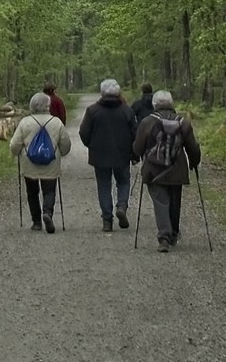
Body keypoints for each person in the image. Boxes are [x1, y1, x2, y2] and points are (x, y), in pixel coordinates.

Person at [133, 91, 201, 251]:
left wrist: (136, 155)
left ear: (155, 105)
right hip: (177, 169)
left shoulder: (147, 122)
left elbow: (137, 147)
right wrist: (194, 162)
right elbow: (192, 146)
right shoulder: (183, 122)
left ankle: (164, 236)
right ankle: (173, 233)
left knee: (160, 201)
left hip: (153, 169)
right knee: (174, 201)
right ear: (172, 104)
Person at [78, 78, 138, 232]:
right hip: (122, 154)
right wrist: (134, 152)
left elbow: (84, 132)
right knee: (123, 182)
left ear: (102, 93)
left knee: (104, 186)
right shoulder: (127, 110)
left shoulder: (92, 111)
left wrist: (92, 146)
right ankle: (122, 206)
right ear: (118, 93)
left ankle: (107, 220)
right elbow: (135, 134)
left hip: (100, 156)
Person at [9, 92, 67, 232]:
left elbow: (14, 145)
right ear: (48, 106)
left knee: (32, 192)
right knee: (49, 191)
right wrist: (61, 153)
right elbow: (65, 144)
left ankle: (36, 222)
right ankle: (47, 213)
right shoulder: (56, 122)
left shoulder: (25, 122)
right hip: (51, 163)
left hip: (29, 163)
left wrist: (16, 153)